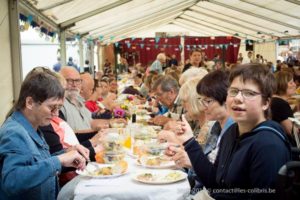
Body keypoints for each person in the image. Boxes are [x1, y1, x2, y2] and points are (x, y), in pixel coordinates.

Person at [171, 63, 291, 199]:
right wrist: (189, 141)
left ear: (265, 103)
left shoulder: (268, 145)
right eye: (233, 91)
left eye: (249, 93)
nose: (238, 98)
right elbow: (214, 184)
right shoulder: (231, 132)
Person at [0, 67, 87, 200]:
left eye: (58, 108)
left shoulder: (33, 126)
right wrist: (59, 160)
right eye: (52, 107)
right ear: (30, 102)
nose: (56, 114)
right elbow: (12, 181)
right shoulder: (14, 133)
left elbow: (38, 163)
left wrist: (67, 153)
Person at [271, 71, 296, 145]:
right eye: (291, 83)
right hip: (286, 147)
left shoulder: (274, 100)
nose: (295, 85)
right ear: (282, 85)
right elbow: (291, 132)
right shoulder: (280, 104)